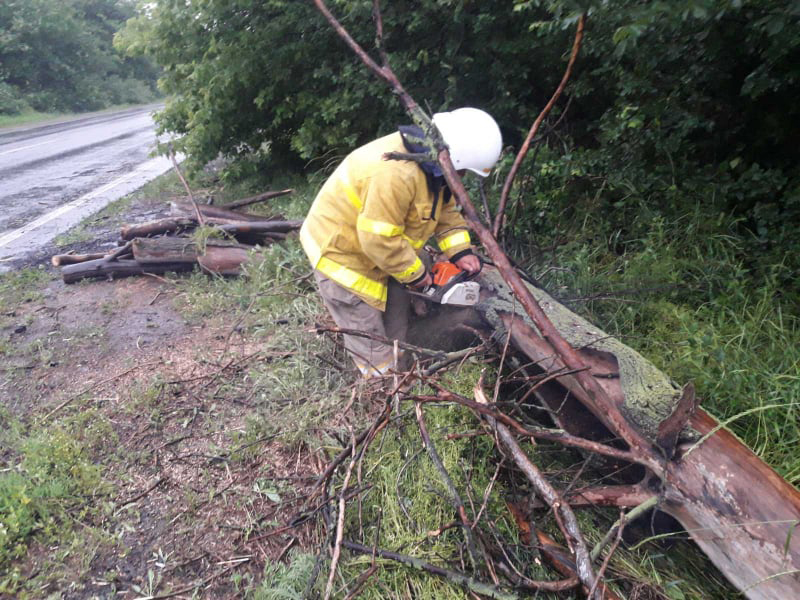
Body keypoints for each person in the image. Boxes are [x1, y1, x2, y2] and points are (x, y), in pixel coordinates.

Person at [300, 107, 502, 376]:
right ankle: (382, 388)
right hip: (343, 258)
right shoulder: (395, 174)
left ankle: (402, 368)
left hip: (384, 254)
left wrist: (460, 252)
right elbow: (378, 239)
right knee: (373, 346)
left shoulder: (431, 169)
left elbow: (445, 210)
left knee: (396, 330)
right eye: (463, 170)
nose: (462, 177)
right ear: (455, 157)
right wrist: (419, 277)